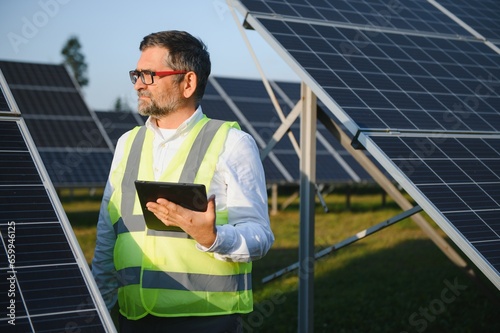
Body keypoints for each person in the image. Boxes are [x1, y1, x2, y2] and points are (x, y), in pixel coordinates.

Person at [92, 30, 274, 333]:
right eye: (136, 74)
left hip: (207, 319)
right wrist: (97, 302)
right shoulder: (127, 143)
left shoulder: (232, 143)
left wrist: (212, 238)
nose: (138, 84)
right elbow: (108, 232)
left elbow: (260, 235)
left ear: (188, 82)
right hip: (134, 319)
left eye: (149, 75)